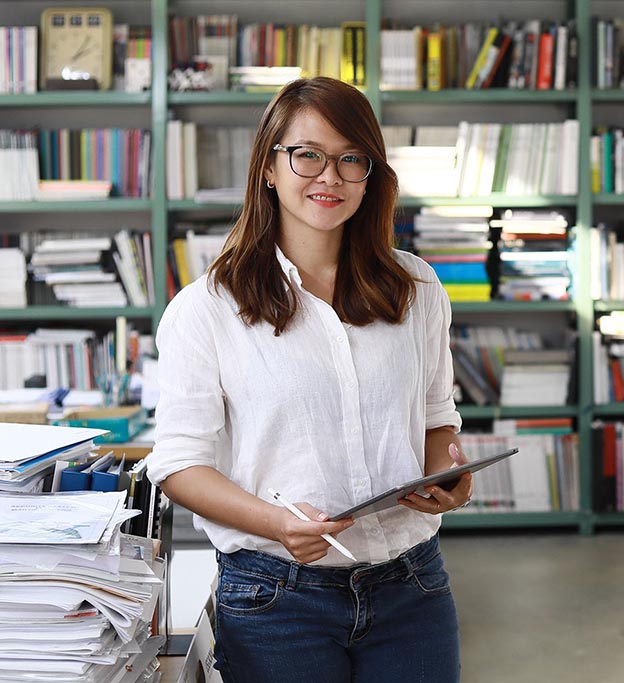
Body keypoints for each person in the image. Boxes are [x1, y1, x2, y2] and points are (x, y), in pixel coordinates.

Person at [148, 77, 469, 683]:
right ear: (269, 166)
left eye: (352, 159)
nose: (331, 176)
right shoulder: (206, 308)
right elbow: (179, 465)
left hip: (412, 584)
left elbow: (435, 415)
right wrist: (277, 523)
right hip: (276, 598)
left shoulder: (416, 286)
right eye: (308, 155)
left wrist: (449, 477)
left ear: (372, 175)